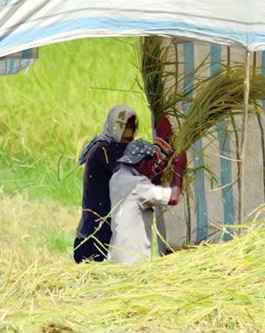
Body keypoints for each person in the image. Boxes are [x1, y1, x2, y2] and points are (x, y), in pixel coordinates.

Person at [73, 105, 139, 263]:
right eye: (123, 127)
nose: (128, 133)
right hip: (93, 238)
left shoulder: (117, 149)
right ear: (113, 126)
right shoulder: (103, 150)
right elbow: (130, 175)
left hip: (105, 236)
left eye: (131, 127)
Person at [108, 139, 186, 264]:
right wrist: (179, 167)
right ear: (142, 163)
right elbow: (173, 197)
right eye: (151, 163)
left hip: (117, 254)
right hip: (133, 258)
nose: (152, 167)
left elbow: (146, 189)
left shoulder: (117, 177)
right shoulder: (138, 185)